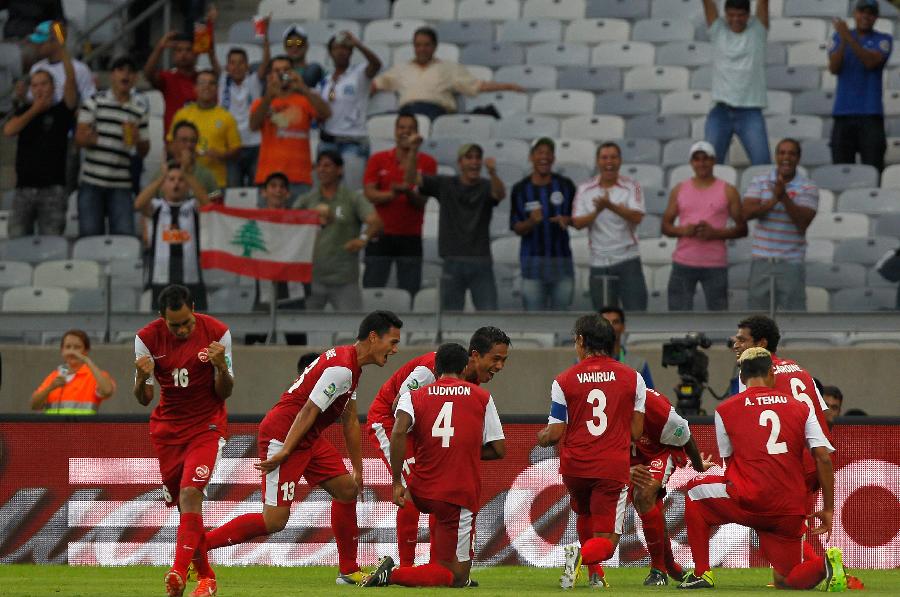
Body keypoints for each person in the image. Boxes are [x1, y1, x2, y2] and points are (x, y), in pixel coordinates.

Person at [202, 311, 403, 587]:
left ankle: (348, 571)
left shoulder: (350, 366)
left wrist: (358, 468)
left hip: (307, 437)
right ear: (373, 337)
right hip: (285, 434)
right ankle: (196, 547)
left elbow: (349, 419)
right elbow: (309, 409)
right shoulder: (342, 368)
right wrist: (285, 451)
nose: (395, 349)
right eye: (392, 342)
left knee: (347, 489)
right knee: (274, 520)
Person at [679, 347, 845, 591]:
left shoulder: (725, 410)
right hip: (789, 507)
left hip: (751, 500)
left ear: (742, 377)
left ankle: (702, 574)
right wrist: (829, 509)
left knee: (694, 493)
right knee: (787, 579)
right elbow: (823, 458)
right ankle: (824, 564)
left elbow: (729, 463)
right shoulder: (801, 408)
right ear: (771, 373)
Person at [362, 342, 506, 588]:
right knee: (455, 575)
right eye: (495, 359)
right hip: (388, 423)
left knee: (420, 493)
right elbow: (398, 410)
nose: (499, 366)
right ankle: (405, 568)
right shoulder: (474, 394)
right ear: (470, 360)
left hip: (422, 457)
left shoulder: (426, 392)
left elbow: (408, 416)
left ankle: (429, 565)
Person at [133, 284, 234, 597]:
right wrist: (140, 377)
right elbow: (143, 398)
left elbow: (225, 392)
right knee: (183, 506)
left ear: (194, 309)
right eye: (174, 325)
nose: (182, 329)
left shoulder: (218, 333)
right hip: (168, 431)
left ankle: (177, 571)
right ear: (161, 318)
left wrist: (220, 366)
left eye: (187, 322)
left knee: (191, 494)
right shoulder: (146, 339)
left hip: (206, 426)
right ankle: (207, 578)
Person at [537, 314, 646, 589]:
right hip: (610, 466)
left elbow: (555, 433)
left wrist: (541, 437)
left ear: (582, 341)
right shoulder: (633, 378)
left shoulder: (563, 380)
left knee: (584, 515)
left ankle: (596, 576)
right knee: (607, 542)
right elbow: (635, 432)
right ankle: (581, 558)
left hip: (575, 467)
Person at [628, 388, 713, 586]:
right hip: (631, 453)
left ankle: (658, 571)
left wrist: (698, 466)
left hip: (660, 451)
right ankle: (671, 566)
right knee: (647, 504)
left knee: (645, 495)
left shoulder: (659, 411)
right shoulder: (610, 403)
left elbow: (686, 436)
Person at [406, 140, 504, 310]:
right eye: (469, 157)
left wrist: (493, 172)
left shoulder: (487, 185)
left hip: (481, 259)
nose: (474, 162)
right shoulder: (445, 184)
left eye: (477, 158)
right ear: (460, 163)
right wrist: (413, 150)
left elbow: (500, 194)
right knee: (450, 316)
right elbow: (411, 178)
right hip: (452, 259)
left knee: (489, 314)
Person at [293, 150, 383, 311]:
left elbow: (375, 222)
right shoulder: (307, 200)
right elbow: (289, 225)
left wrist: (362, 238)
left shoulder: (352, 198)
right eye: (319, 166)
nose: (322, 169)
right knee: (306, 330)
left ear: (339, 170)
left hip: (344, 279)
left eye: (327, 165)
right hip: (312, 279)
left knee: (353, 330)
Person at [661, 141, 746, 311]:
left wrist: (715, 234)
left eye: (706, 159)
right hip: (683, 261)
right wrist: (684, 230)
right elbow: (665, 226)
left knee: (717, 318)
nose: (702, 163)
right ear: (691, 162)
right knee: (678, 317)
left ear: (714, 161)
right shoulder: (679, 189)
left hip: (714, 263)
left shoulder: (728, 190)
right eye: (697, 159)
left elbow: (742, 229)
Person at [373, 26, 523, 121]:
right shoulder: (401, 69)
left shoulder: (449, 68)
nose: (422, 49)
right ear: (414, 47)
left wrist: (508, 86)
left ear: (434, 47)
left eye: (427, 45)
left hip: (435, 113)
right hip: (407, 115)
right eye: (418, 45)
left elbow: (477, 86)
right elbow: (376, 84)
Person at [362, 111, 437, 297]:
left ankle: (409, 326)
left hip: (410, 235)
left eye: (410, 129)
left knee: (410, 291)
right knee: (372, 289)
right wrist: (393, 194)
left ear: (417, 133)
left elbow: (422, 202)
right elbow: (370, 193)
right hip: (380, 233)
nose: (405, 132)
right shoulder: (377, 159)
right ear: (395, 131)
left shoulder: (428, 163)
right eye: (402, 127)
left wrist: (408, 193)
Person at [2, 48, 76, 238]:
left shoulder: (62, 110)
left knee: (51, 244)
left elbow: (71, 84)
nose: (39, 89)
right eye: (34, 86)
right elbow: (9, 130)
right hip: (24, 189)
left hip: (53, 189)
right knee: (16, 241)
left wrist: (63, 53)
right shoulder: (25, 111)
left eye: (44, 84)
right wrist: (34, 110)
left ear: (53, 87)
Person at [75, 56, 150, 238]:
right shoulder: (94, 102)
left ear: (135, 79)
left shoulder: (139, 110)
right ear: (111, 76)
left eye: (130, 72)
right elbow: (79, 138)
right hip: (91, 182)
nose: (125, 74)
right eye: (120, 70)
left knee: (124, 239)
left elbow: (144, 151)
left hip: (121, 184)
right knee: (89, 238)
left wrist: (138, 139)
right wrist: (90, 140)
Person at [742, 138, 819, 311]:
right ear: (776, 156)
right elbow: (745, 213)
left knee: (794, 321)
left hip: (791, 263)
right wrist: (773, 200)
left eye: (792, 153)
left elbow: (802, 223)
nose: (786, 157)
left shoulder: (808, 187)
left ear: (798, 158)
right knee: (757, 322)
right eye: (782, 153)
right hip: (762, 261)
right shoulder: (760, 181)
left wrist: (784, 197)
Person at [572, 142, 649, 311]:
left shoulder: (632, 186)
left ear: (620, 161)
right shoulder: (584, 189)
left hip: (628, 259)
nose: (609, 161)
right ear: (597, 161)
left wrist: (610, 205)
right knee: (603, 323)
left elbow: (637, 217)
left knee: (637, 315)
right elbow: (577, 223)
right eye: (604, 157)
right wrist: (598, 211)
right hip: (599, 261)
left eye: (614, 157)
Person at [701, 0, 771, 165]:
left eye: (740, 15)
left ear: (748, 16)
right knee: (707, 166)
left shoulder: (757, 30)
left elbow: (763, 3)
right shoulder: (718, 30)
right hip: (720, 111)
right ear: (725, 15)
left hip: (750, 111)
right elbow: (707, 3)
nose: (736, 19)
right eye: (731, 15)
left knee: (762, 166)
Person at [135, 162, 212, 311]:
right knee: (162, 325)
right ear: (163, 185)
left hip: (191, 276)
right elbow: (138, 204)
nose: (176, 183)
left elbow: (208, 204)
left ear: (188, 185)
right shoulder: (156, 206)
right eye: (171, 179)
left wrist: (188, 174)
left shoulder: (193, 207)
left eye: (180, 179)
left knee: (196, 322)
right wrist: (161, 177)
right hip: (161, 276)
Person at [510, 137, 576, 311]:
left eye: (548, 153)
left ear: (553, 158)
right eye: (539, 152)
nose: (544, 157)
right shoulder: (520, 189)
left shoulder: (566, 185)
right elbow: (516, 227)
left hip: (562, 265)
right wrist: (531, 222)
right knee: (534, 322)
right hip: (532, 268)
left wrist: (568, 220)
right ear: (531, 157)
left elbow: (577, 218)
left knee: (562, 322)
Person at [251, 55, 331, 198]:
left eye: (286, 70)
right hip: (269, 178)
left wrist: (304, 88)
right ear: (270, 75)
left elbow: (326, 113)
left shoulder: (305, 100)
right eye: (277, 71)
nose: (282, 74)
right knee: (268, 220)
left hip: (299, 177)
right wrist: (269, 96)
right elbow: (253, 125)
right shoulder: (261, 103)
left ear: (294, 73)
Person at [828, 0, 893, 172]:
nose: (866, 15)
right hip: (843, 113)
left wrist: (848, 37)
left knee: (872, 170)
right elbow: (834, 68)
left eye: (871, 12)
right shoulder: (839, 37)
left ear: (876, 17)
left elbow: (871, 62)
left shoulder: (883, 39)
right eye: (862, 11)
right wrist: (843, 40)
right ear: (855, 14)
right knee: (841, 172)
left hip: (870, 115)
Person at [316, 31, 382, 190]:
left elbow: (376, 64)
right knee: (326, 191)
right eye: (336, 48)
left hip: (353, 141)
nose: (340, 51)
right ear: (330, 52)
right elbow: (329, 101)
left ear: (351, 51)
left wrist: (358, 44)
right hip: (328, 141)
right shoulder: (326, 80)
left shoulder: (359, 73)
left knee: (352, 192)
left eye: (345, 48)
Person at [214, 29, 272, 187]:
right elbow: (211, 56)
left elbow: (266, 62)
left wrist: (265, 36)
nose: (237, 66)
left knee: (258, 189)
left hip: (255, 145)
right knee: (233, 190)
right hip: (232, 147)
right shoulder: (222, 80)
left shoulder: (254, 80)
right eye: (232, 63)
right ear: (227, 66)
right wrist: (210, 27)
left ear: (247, 66)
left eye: (241, 63)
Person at [168, 69, 241, 189]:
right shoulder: (182, 114)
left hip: (216, 184)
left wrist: (221, 155)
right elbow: (170, 144)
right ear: (195, 88)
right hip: (185, 181)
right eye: (202, 83)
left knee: (213, 206)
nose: (207, 87)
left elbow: (236, 150)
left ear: (217, 89)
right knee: (190, 208)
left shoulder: (226, 117)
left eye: (211, 83)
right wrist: (183, 154)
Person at [144, 24, 218, 133]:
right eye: (179, 50)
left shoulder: (204, 79)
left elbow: (220, 78)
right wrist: (160, 47)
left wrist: (211, 55)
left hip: (203, 141)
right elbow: (148, 74)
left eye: (188, 50)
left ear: (196, 54)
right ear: (173, 55)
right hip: (174, 144)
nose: (183, 54)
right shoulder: (168, 78)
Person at [30, 329, 115, 414]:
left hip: (83, 427)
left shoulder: (94, 375)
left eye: (77, 347)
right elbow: (34, 405)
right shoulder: (53, 376)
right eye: (68, 347)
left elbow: (107, 391)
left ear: (86, 351)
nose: (72, 351)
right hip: (54, 427)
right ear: (62, 351)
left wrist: (87, 361)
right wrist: (50, 388)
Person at [27, 21, 96, 102]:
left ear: (56, 41)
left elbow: (89, 100)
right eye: (36, 42)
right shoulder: (36, 67)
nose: (36, 45)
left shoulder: (80, 69)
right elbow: (31, 100)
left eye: (41, 42)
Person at [600, 306, 654, 388]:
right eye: (605, 322)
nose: (610, 327)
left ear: (623, 327)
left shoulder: (638, 364)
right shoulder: (583, 362)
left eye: (615, 322)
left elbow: (649, 397)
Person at [166, 120, 219, 197]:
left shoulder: (206, 174)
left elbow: (216, 197)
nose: (189, 145)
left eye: (193, 141)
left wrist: (186, 171)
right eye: (184, 140)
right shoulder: (163, 173)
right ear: (174, 142)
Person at [282, 24, 324, 88]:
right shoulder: (280, 72)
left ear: (306, 46)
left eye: (299, 43)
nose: (294, 47)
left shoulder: (318, 71)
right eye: (289, 43)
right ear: (285, 47)